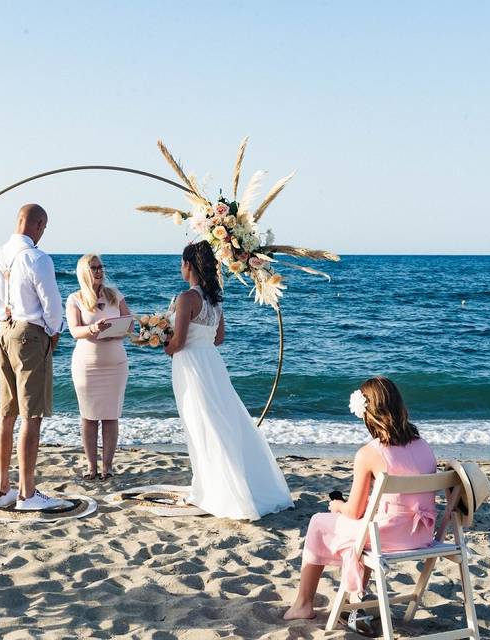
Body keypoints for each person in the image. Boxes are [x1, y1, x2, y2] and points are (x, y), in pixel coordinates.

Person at [284, 377, 438, 622]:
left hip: (387, 537)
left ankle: (303, 604)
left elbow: (354, 511)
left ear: (368, 413)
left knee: (319, 522)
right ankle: (354, 601)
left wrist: (337, 506)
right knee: (367, 526)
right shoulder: (424, 446)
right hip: (421, 535)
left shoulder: (370, 453)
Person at [164, 240, 293, 519]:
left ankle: (212, 490)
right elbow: (219, 338)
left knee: (200, 425)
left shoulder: (186, 299)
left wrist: (160, 343)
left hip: (191, 367)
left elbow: (178, 342)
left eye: (182, 262)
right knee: (221, 422)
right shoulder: (214, 299)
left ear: (188, 265)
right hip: (211, 363)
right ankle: (219, 485)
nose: (180, 267)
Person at [0, 204, 69, 510]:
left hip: (3, 331)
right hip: (29, 334)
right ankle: (27, 493)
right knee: (31, 416)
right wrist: (53, 334)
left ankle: (2, 488)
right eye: (43, 228)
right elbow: (52, 304)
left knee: (6, 413)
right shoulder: (37, 258)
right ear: (38, 224)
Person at [66, 254, 131, 481]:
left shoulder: (115, 295)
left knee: (111, 416)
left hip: (116, 364)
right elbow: (75, 331)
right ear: (84, 271)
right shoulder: (75, 299)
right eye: (93, 267)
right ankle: (91, 467)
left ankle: (108, 467)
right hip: (87, 367)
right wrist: (94, 329)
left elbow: (129, 323)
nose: (99, 271)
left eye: (100, 267)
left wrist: (114, 331)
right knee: (89, 416)